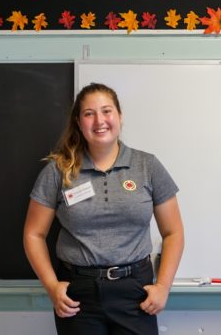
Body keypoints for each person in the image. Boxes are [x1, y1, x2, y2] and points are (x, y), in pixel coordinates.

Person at [24, 82, 184, 335]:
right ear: (79, 122)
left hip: (136, 292)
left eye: (107, 111)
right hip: (78, 295)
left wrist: (163, 286)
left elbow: (173, 232)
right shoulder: (58, 171)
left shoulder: (148, 166)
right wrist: (52, 286)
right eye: (89, 114)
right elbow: (33, 234)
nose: (99, 120)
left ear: (119, 116)